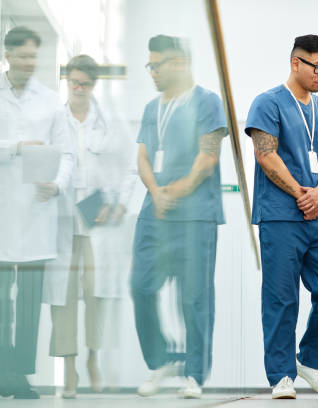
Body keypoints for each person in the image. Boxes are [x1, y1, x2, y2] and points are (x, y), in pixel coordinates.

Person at [245, 34, 318, 400]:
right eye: (317, 66)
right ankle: (281, 375)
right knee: (281, 297)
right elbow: (265, 154)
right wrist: (300, 194)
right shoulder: (267, 103)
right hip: (281, 215)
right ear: (296, 63)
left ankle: (312, 362)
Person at [0, 26, 73, 399]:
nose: (28, 63)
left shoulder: (49, 100)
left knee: (30, 296)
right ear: (7, 56)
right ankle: (9, 359)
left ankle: (18, 371)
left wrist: (59, 184)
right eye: (22, 56)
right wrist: (14, 146)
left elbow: (66, 153)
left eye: (33, 56)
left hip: (36, 208)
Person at [130, 34, 227, 399]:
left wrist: (177, 191)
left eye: (157, 65)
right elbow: (142, 154)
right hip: (155, 213)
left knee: (194, 297)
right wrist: (157, 192)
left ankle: (194, 374)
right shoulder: (152, 108)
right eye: (149, 65)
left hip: (196, 216)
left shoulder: (208, 103)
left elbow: (209, 156)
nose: (152, 72)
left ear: (180, 63)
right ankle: (161, 361)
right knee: (140, 286)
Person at [42, 54, 135, 398]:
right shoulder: (54, 119)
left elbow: (130, 166)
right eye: (74, 82)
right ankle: (69, 371)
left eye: (85, 83)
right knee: (63, 299)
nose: (79, 89)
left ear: (94, 85)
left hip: (98, 222)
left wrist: (120, 203)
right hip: (62, 218)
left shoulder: (109, 121)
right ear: (67, 81)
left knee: (96, 296)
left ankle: (93, 360)